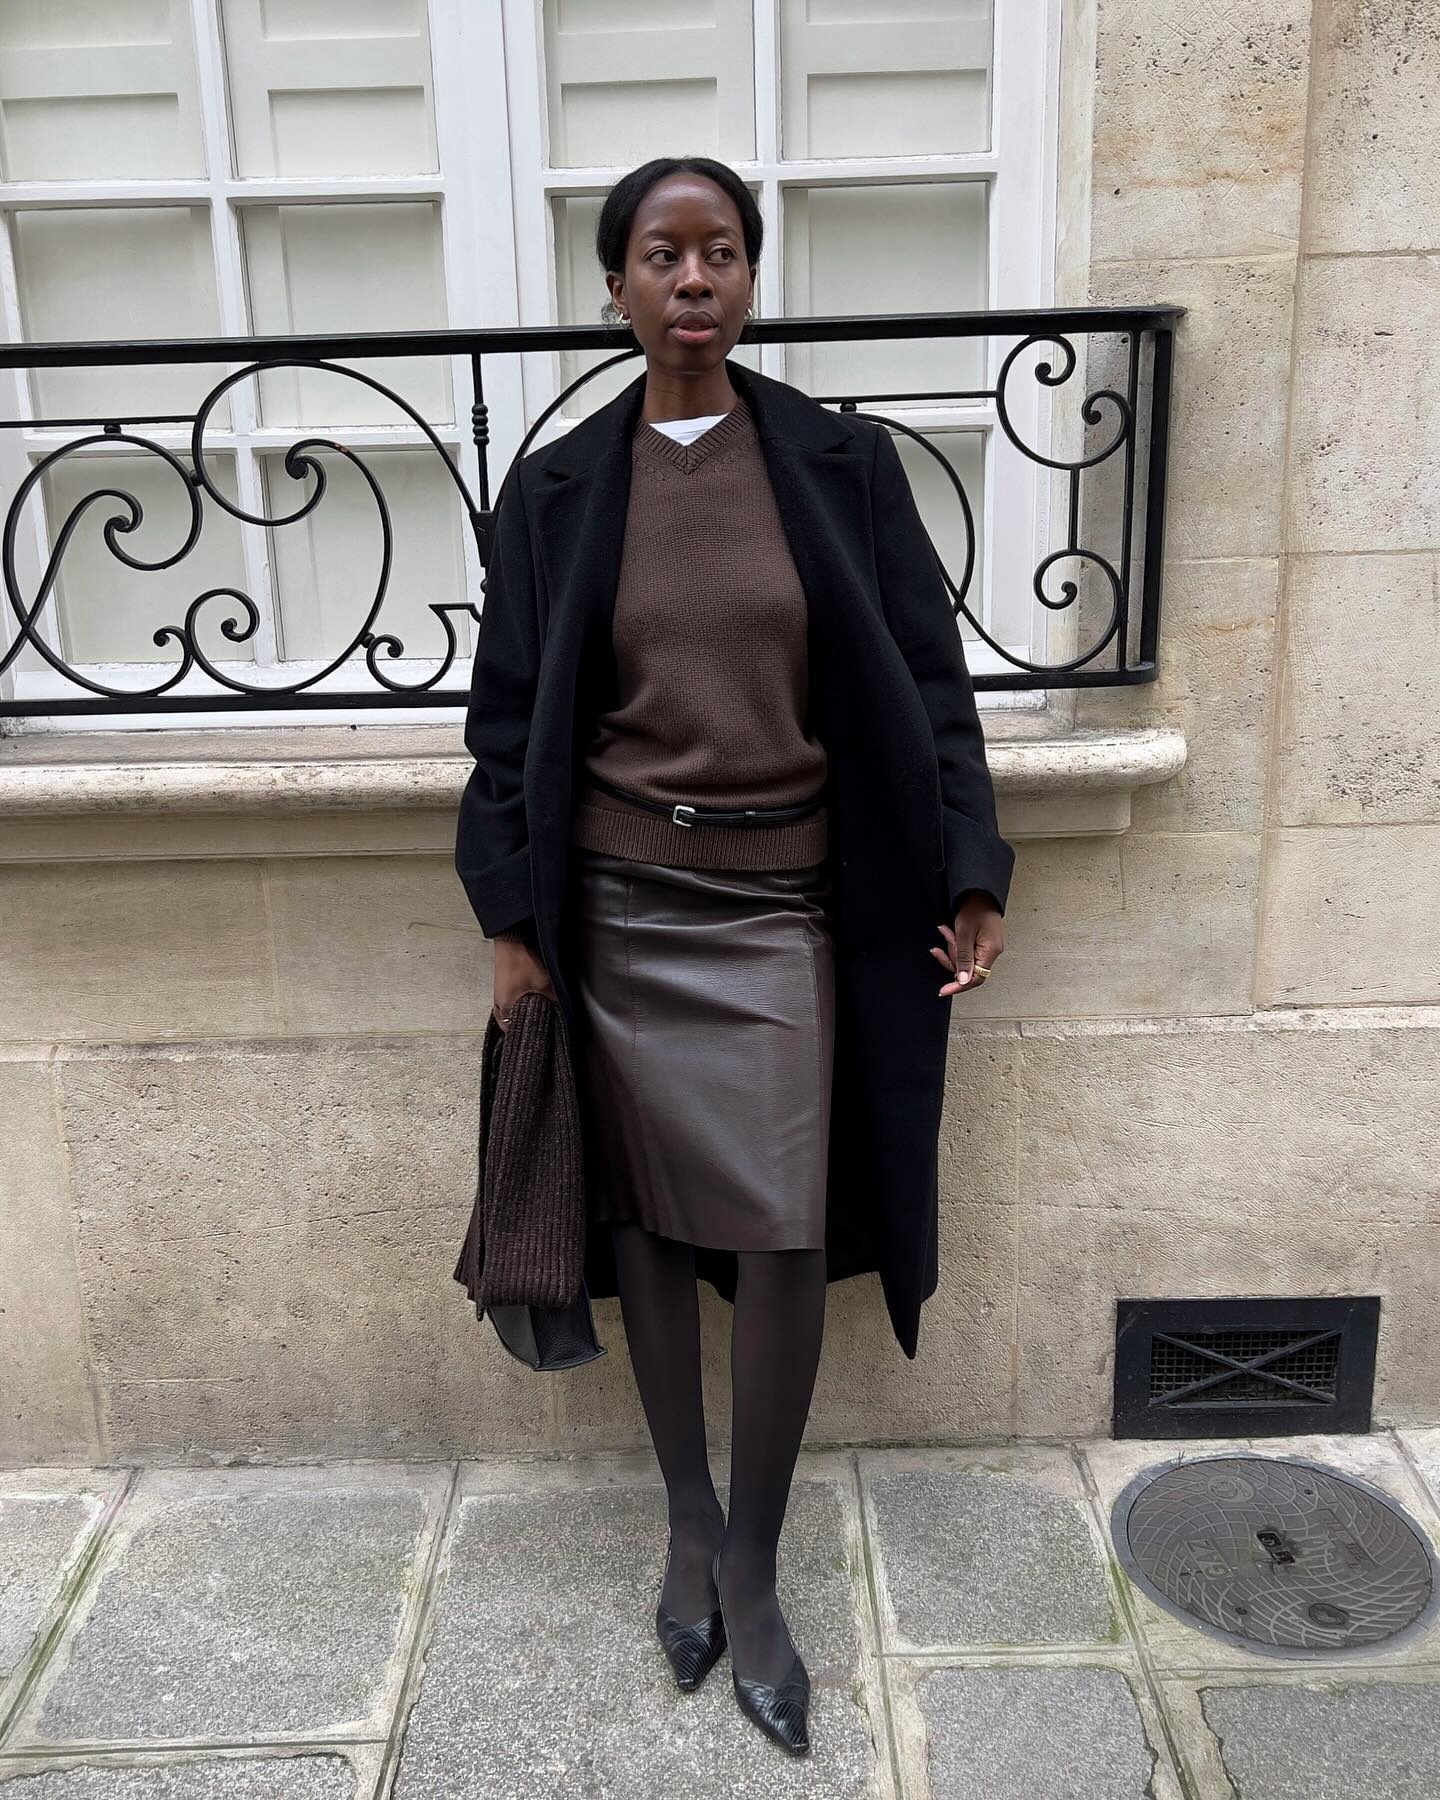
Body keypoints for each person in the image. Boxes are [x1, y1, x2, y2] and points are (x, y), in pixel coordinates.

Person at [457, 155, 1011, 1757]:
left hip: (783, 914)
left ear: (749, 279)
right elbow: (504, 735)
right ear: (616, 288)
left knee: (772, 1233)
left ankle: (754, 1566)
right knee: (640, 1225)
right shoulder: (558, 493)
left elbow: (928, 671)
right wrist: (511, 930)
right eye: (658, 253)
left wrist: (974, 868)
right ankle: (688, 1523)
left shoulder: (837, 463)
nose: (691, 278)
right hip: (619, 908)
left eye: (718, 253)